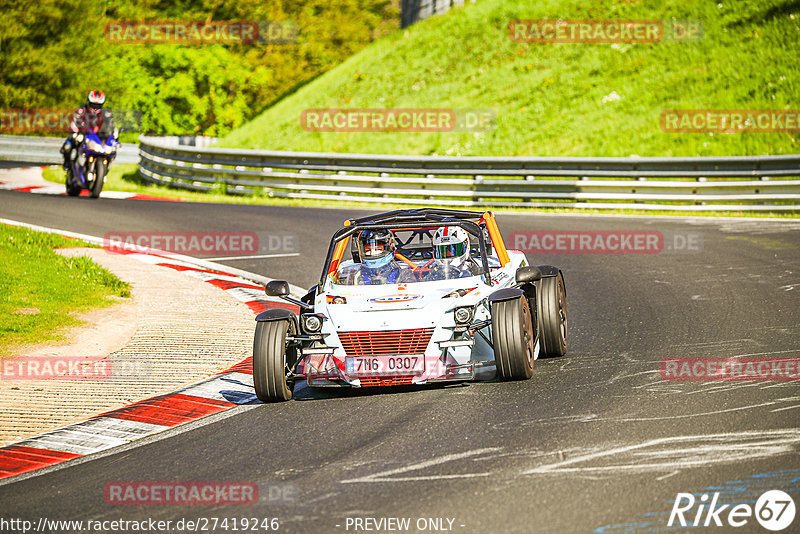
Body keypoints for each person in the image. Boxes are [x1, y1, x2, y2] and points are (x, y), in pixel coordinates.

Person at [61, 90, 115, 171]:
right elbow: (75, 121)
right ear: (88, 102)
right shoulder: (81, 110)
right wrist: (75, 132)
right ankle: (67, 163)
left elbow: (111, 125)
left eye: (98, 105)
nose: (95, 108)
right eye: (93, 105)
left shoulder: (106, 113)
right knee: (67, 147)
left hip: (96, 138)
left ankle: (105, 168)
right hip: (81, 134)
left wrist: (113, 133)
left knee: (112, 150)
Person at [350, 229, 416, 285]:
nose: (372, 253)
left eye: (377, 249)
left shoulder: (403, 274)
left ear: (387, 248)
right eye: (368, 250)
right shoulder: (356, 275)